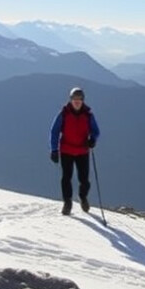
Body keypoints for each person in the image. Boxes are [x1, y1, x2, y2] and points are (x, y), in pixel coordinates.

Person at [49, 86, 100, 215]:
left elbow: (96, 131)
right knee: (66, 178)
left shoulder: (88, 115)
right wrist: (54, 150)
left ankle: (83, 197)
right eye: (74, 99)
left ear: (83, 100)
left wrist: (93, 139)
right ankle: (67, 203)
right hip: (66, 150)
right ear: (70, 100)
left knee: (84, 180)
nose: (77, 101)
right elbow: (54, 131)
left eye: (79, 99)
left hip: (82, 151)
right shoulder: (63, 114)